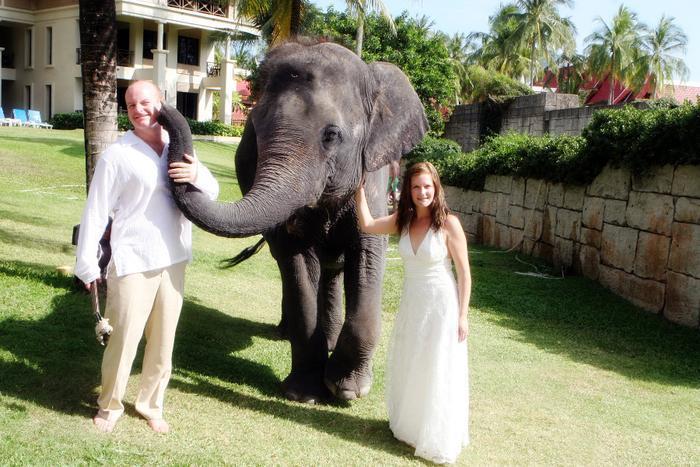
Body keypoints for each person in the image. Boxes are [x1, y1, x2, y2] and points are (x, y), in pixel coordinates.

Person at [74, 80, 219, 434]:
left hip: (173, 259)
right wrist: (87, 263)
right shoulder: (117, 155)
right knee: (123, 340)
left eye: (146, 102)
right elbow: (96, 212)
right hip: (132, 260)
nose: (139, 110)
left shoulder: (178, 147)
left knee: (163, 341)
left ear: (162, 103)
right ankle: (109, 406)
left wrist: (195, 173)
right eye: (131, 105)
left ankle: (151, 404)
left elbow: (212, 192)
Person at [355, 161, 471, 464]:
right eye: (417, 187)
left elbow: (464, 273)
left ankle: (436, 433)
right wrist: (358, 191)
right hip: (412, 303)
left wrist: (462, 315)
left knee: (436, 364)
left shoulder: (449, 224)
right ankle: (412, 427)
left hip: (442, 304)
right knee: (413, 361)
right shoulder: (402, 221)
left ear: (436, 188)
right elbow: (366, 224)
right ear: (409, 189)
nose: (422, 192)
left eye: (427, 187)